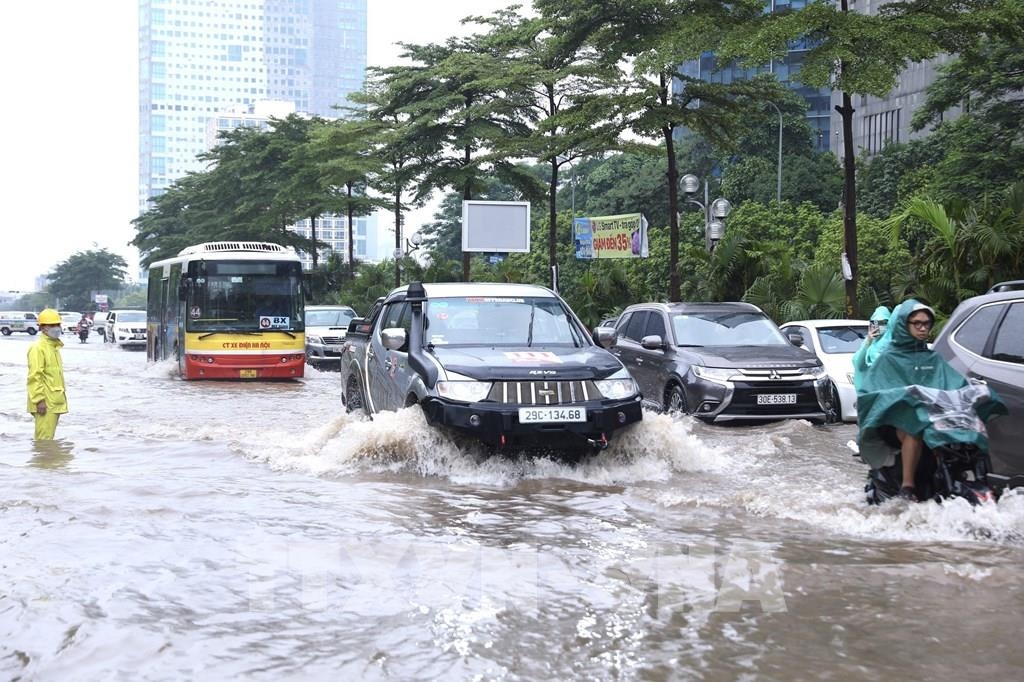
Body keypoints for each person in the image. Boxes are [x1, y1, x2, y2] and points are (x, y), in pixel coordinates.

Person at [856, 299, 1003, 501]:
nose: (923, 328)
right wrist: (902, 396)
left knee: (973, 430)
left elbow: (954, 383)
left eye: (926, 323)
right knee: (913, 429)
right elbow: (869, 394)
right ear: (903, 325)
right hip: (897, 421)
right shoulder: (888, 359)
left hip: (935, 419)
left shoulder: (932, 358)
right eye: (917, 323)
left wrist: (976, 390)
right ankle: (908, 487)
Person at [27, 308, 68, 440]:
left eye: (58, 324)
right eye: (52, 325)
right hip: (45, 403)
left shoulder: (54, 347)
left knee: (48, 441)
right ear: (43, 328)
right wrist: (39, 401)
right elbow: (35, 376)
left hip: (54, 400)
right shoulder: (38, 348)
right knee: (43, 441)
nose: (56, 328)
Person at [851, 305, 891, 393]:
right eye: (876, 322)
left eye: (883, 323)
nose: (879, 326)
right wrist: (868, 341)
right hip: (869, 392)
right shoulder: (869, 341)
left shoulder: (892, 341)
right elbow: (858, 363)